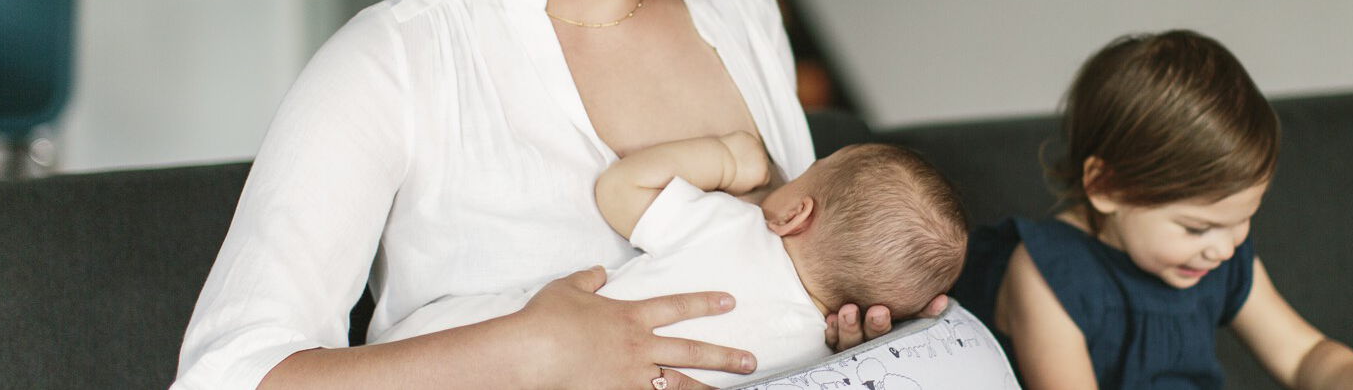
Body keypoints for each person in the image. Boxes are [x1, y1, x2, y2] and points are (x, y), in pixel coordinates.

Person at [174, 0, 938, 388]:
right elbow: (226, 375)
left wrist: (830, 334)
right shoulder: (394, 63)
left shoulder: (742, 12)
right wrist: (528, 353)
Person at [951, 31, 1353, 390]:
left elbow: (1302, 355)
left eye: (1243, 220)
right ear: (1106, 186)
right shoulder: (1046, 275)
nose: (1223, 248)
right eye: (1197, 228)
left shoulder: (1219, 259)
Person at [383, 133, 969, 387]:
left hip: (492, 351)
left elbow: (620, 189)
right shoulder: (817, 358)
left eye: (810, 169)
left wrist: (726, 159)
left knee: (449, 339)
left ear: (796, 213)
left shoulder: (735, 228)